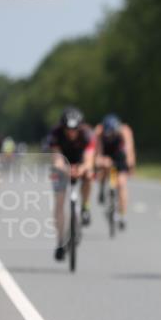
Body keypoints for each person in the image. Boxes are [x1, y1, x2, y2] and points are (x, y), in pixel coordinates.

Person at [48, 107, 95, 261]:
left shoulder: (88, 134)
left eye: (75, 129)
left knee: (89, 175)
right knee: (59, 202)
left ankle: (85, 207)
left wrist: (81, 169)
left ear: (80, 127)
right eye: (68, 129)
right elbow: (56, 159)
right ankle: (60, 241)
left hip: (80, 163)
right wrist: (66, 169)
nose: (71, 132)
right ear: (63, 127)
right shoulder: (55, 134)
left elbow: (89, 159)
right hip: (62, 165)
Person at [94, 113, 136, 230]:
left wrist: (130, 166)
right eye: (107, 135)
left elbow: (129, 150)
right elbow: (97, 153)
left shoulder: (125, 131)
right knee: (103, 169)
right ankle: (102, 188)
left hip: (119, 155)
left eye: (111, 134)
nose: (109, 137)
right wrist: (101, 161)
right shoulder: (99, 132)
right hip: (106, 153)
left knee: (122, 184)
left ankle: (122, 215)